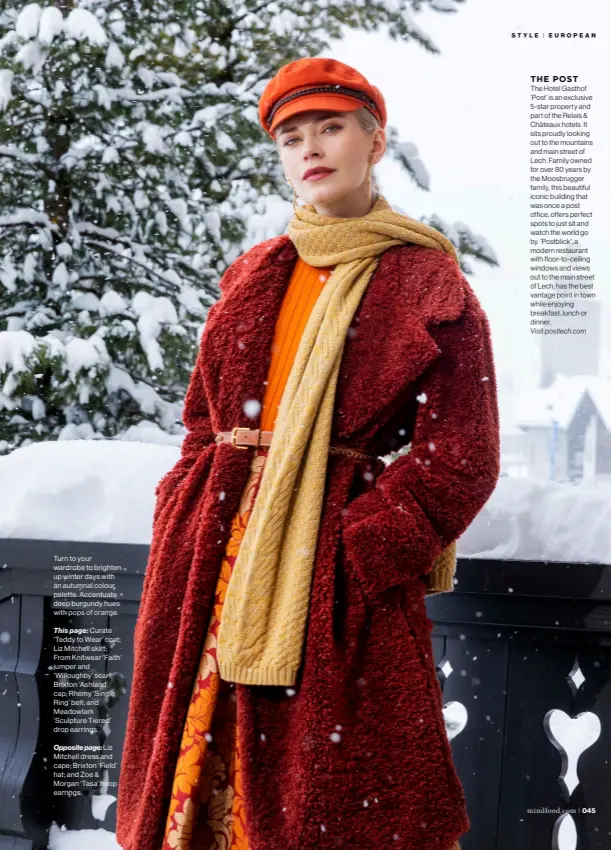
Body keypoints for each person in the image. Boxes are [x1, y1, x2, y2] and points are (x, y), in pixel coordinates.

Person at [115, 57, 500, 850]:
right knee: (194, 782)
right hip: (213, 562)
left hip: (323, 570)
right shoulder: (256, 271)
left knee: (321, 800)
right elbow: (201, 419)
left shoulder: (428, 283)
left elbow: (461, 456)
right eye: (292, 136)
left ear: (374, 141)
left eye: (331, 127)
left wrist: (353, 553)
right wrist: (184, 504)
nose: (311, 148)